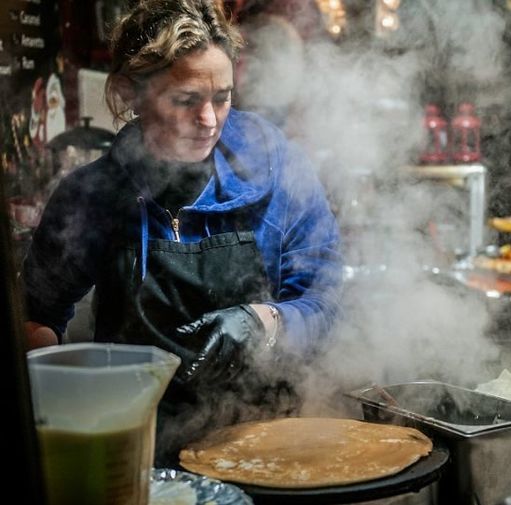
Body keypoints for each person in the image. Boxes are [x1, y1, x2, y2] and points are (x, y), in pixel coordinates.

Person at [21, 0, 343, 465]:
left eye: (223, 97)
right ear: (131, 94)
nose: (209, 120)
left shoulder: (276, 167)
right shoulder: (93, 195)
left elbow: (326, 298)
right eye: (186, 100)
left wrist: (264, 321)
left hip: (267, 442)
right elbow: (36, 317)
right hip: (141, 449)